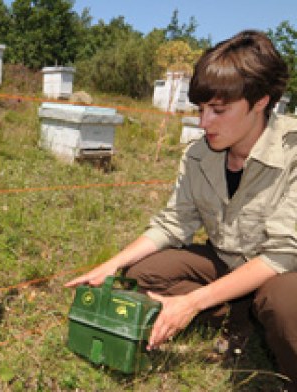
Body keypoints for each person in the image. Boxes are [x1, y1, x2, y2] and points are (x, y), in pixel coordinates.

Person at [66, 30, 297, 389]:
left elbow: (281, 256)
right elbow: (174, 222)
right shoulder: (199, 154)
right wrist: (111, 265)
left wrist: (192, 302)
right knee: (140, 274)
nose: (204, 123)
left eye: (218, 111)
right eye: (201, 110)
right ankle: (238, 318)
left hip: (283, 275)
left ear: (260, 102)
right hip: (227, 260)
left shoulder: (293, 153)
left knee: (285, 304)